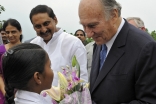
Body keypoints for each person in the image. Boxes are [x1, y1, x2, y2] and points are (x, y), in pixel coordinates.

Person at [79, 0, 156, 103]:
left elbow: (149, 101)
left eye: (92, 25)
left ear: (113, 15)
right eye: (83, 26)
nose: (88, 34)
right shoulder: (101, 40)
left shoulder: (145, 47)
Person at [29, 5, 88, 86]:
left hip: (66, 98)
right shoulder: (32, 46)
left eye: (46, 23)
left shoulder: (73, 43)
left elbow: (82, 79)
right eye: (38, 26)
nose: (43, 29)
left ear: (55, 20)